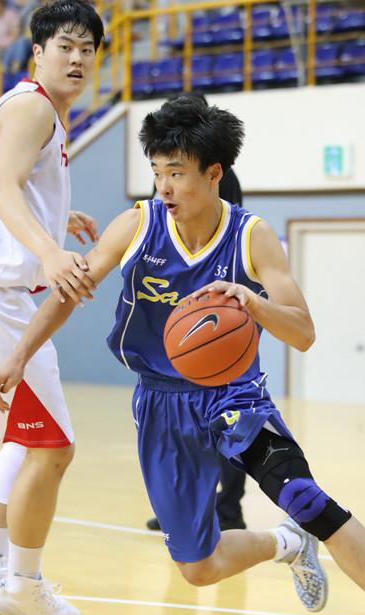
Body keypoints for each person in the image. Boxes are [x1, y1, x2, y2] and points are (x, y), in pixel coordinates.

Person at [0, 94, 365, 615]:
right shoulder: (137, 226)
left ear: (213, 173)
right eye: (157, 172)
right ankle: (286, 545)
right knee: (198, 567)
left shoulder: (252, 237)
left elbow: (304, 333)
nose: (164, 186)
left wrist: (253, 302)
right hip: (160, 402)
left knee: (306, 497)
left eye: (177, 173)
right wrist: (18, 356)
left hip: (234, 397)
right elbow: (70, 292)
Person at [0, 0, 104, 615]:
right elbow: (0, 186)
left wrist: (53, 220)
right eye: (65, 46)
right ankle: (23, 584)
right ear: (37, 51)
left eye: (88, 49)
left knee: (25, 440)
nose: (77, 58)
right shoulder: (33, 106)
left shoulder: (35, 111)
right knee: (52, 448)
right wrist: (49, 249)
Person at [145, 100, 247, 534]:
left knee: (229, 416)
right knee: (179, 421)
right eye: (159, 173)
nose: (164, 184)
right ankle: (186, 506)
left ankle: (230, 507)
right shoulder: (165, 184)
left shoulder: (221, 176)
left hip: (220, 303)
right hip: (179, 306)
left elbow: (225, 237)